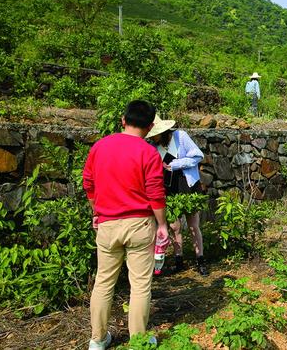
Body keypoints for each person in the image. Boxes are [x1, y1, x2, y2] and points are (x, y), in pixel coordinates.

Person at [83, 100, 168, 350]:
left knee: (103, 282)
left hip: (107, 223)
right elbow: (155, 193)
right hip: (140, 224)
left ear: (123, 120)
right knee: (140, 285)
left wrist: (96, 212)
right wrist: (161, 224)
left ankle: (97, 340)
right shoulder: (149, 152)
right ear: (151, 126)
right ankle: (138, 342)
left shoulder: (100, 147)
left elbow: (89, 183)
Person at [146, 115, 208, 276]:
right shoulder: (153, 147)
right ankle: (178, 260)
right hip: (169, 189)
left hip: (187, 185)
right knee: (175, 227)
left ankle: (200, 260)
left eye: (155, 133)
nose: (153, 137)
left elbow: (197, 156)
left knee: (194, 225)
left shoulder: (180, 137)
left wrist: (174, 165)